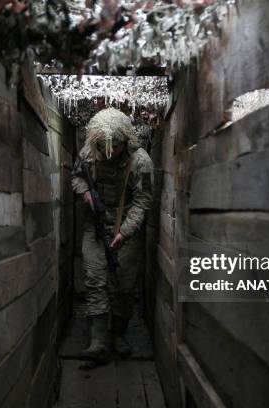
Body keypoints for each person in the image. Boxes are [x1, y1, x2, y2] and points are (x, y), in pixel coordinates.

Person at [71, 107, 154, 367]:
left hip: (125, 230)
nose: (108, 152)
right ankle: (98, 342)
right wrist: (85, 193)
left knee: (124, 287)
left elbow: (143, 201)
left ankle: (118, 334)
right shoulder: (88, 154)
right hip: (95, 227)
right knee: (95, 279)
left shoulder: (141, 162)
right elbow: (76, 178)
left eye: (114, 146)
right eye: (103, 146)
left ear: (126, 141)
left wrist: (124, 232)